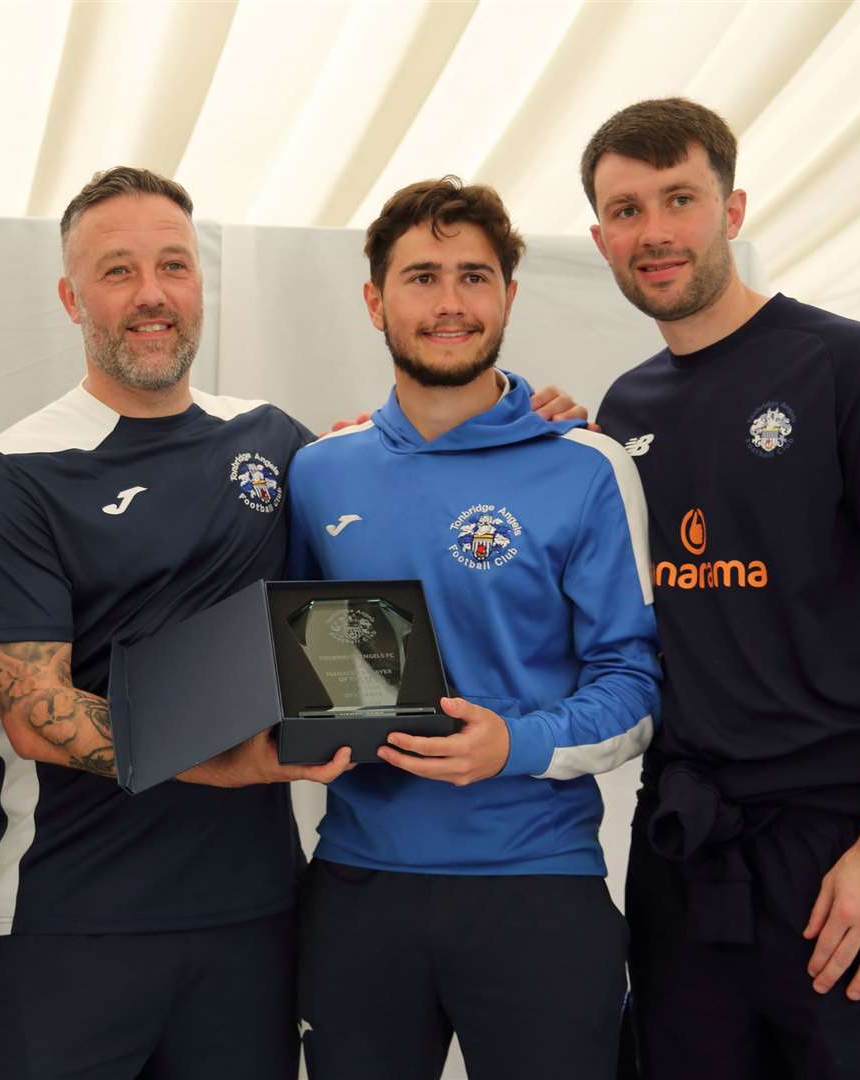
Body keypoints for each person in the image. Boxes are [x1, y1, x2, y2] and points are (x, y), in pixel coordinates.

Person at [0, 166, 587, 1080]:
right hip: (76, 918)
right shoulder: (16, 470)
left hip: (257, 919)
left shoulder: (276, 442)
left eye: (173, 266)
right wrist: (239, 767)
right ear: (69, 295)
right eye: (117, 270)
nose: (151, 296)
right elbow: (33, 713)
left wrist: (524, 421)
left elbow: (399, 468)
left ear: (199, 284)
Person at [582, 97, 860, 1079]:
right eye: (626, 210)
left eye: (677, 198)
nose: (654, 232)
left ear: (730, 210)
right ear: (599, 238)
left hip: (841, 842)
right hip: (687, 845)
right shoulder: (623, 407)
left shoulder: (848, 367)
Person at [283, 177, 660, 1080]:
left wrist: (515, 744)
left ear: (508, 297)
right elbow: (291, 661)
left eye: (474, 277)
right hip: (358, 886)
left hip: (539, 885)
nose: (449, 303)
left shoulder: (587, 467)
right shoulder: (320, 471)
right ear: (375, 299)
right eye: (420, 277)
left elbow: (637, 688)